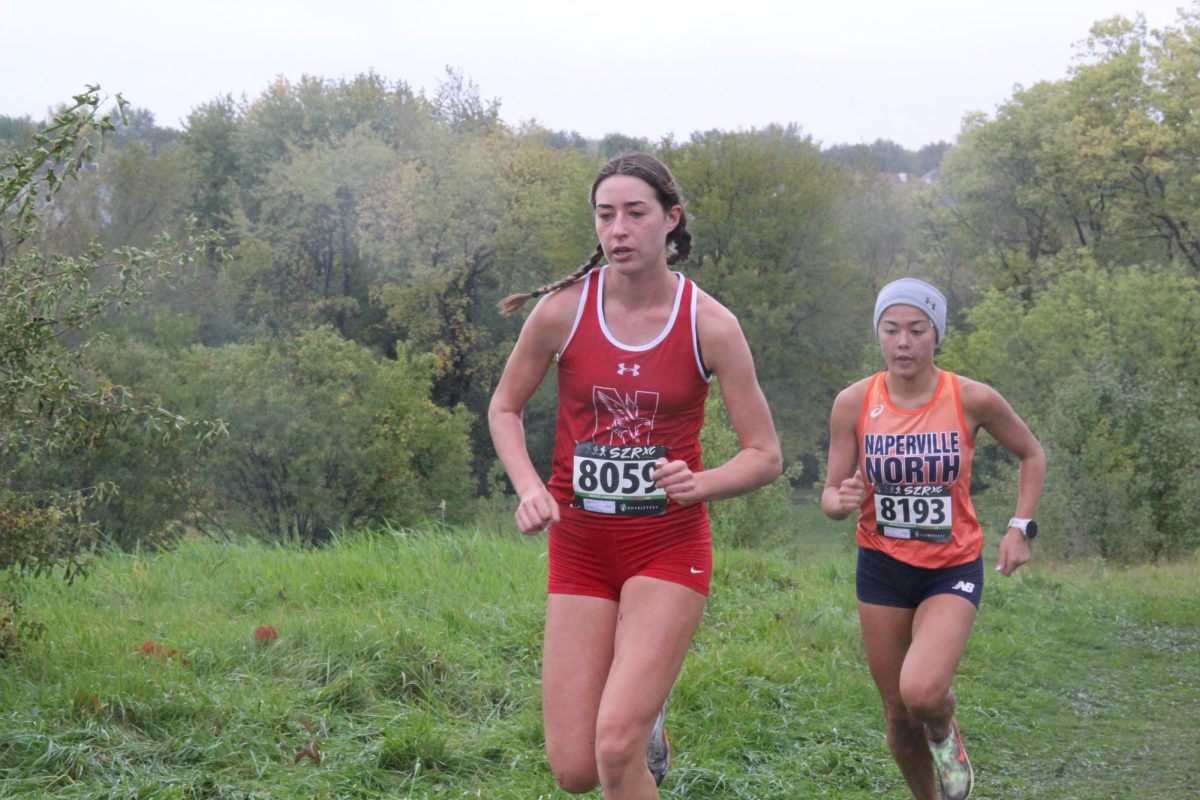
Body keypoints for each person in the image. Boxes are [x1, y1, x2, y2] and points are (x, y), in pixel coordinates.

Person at [489, 153, 782, 798]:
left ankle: (636, 720)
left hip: (668, 547)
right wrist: (530, 487)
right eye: (605, 215)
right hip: (581, 550)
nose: (618, 229)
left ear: (670, 221)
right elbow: (505, 407)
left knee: (615, 745)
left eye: (635, 213)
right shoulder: (563, 312)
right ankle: (646, 720)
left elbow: (765, 454)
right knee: (575, 772)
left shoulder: (711, 325)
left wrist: (698, 484)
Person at [821, 278, 1045, 800]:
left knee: (922, 693)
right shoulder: (853, 403)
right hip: (881, 567)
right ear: (878, 334)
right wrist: (842, 500)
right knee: (898, 715)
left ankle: (944, 729)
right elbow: (831, 496)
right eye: (891, 330)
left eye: (917, 330)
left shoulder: (971, 398)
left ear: (935, 335)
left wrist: (1019, 527)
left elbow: (1031, 454)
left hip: (951, 567)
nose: (903, 342)